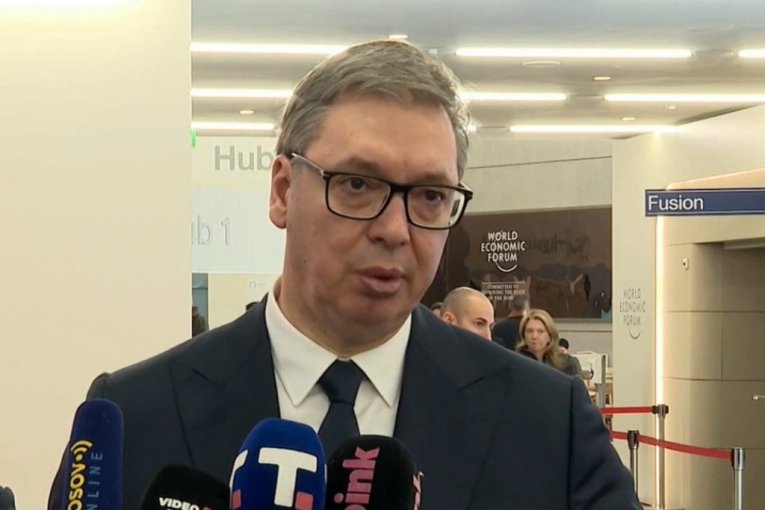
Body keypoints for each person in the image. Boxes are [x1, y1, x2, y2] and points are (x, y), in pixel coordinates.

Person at [49, 40, 639, 510]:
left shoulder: (547, 421)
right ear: (283, 190)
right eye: (357, 184)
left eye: (430, 196)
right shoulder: (133, 414)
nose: (395, 229)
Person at [517, 308, 582, 377]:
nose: (534, 336)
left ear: (550, 336)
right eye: (530, 331)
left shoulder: (568, 364)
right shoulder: (514, 363)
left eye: (540, 331)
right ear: (523, 335)